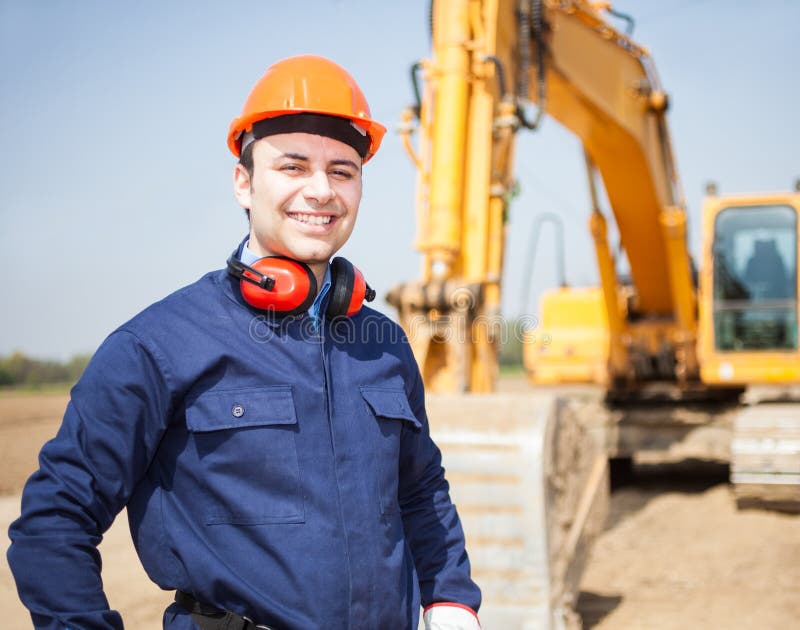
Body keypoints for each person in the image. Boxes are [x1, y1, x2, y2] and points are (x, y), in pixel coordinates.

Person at [7, 55, 481, 630]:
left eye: (343, 170)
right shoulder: (158, 345)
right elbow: (56, 518)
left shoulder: (382, 343)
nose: (321, 190)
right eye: (293, 166)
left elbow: (420, 490)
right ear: (243, 183)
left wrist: (451, 600)